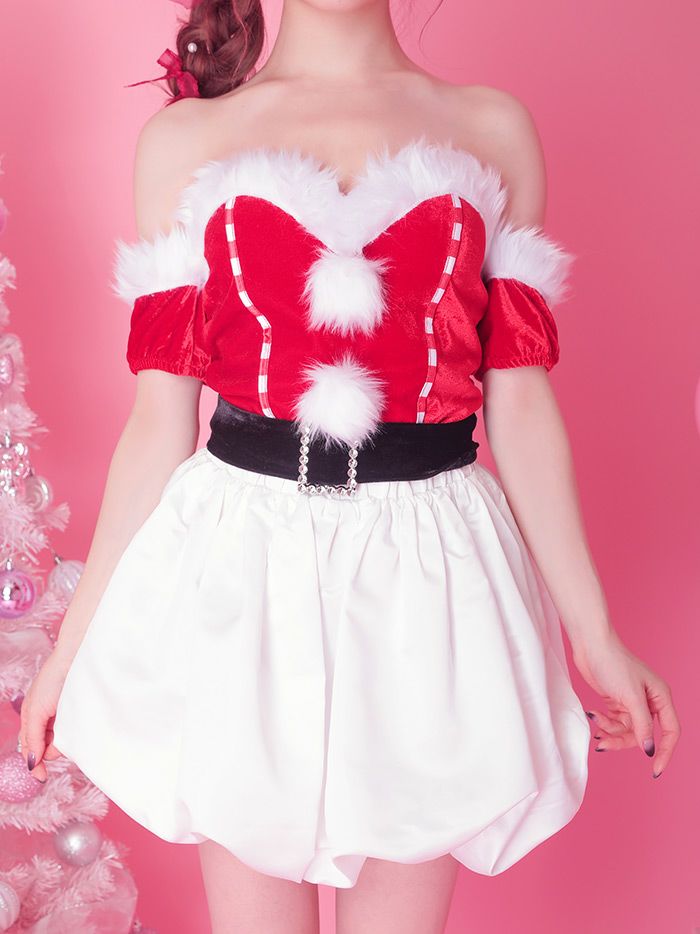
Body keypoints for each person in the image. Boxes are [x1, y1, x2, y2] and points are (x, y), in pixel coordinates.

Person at [19, 1, 681, 932]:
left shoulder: (492, 127)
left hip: (431, 571)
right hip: (243, 568)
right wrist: (70, 650)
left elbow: (522, 403)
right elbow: (157, 424)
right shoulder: (185, 141)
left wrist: (595, 634)